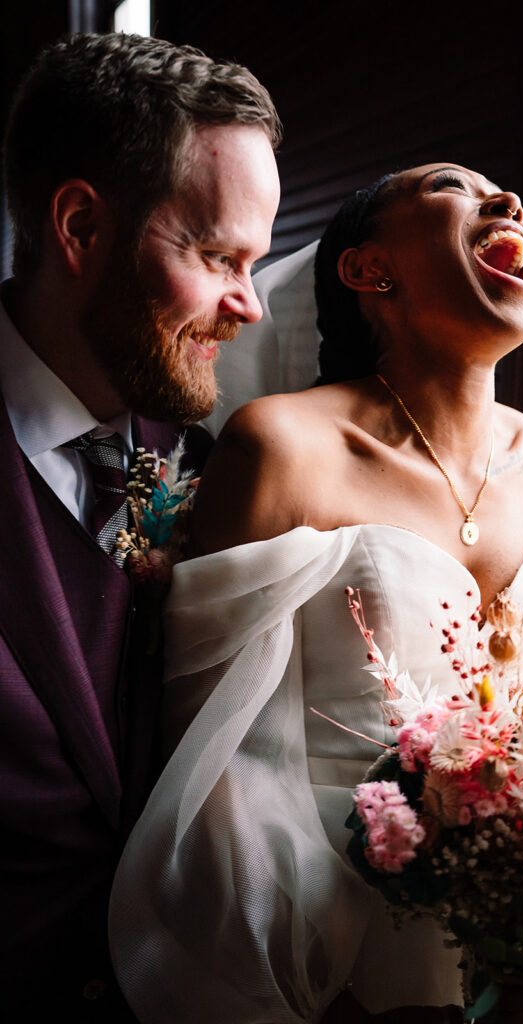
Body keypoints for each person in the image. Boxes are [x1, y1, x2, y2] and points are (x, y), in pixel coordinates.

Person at [110, 164, 523, 1023]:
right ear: (369, 270)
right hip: (327, 944)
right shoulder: (281, 446)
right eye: (453, 185)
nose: (509, 201)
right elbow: (213, 754)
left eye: (504, 192)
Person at [0, 31, 281, 1020]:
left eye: (255, 262)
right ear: (79, 226)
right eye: (215, 256)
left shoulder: (212, 472)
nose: (247, 305)